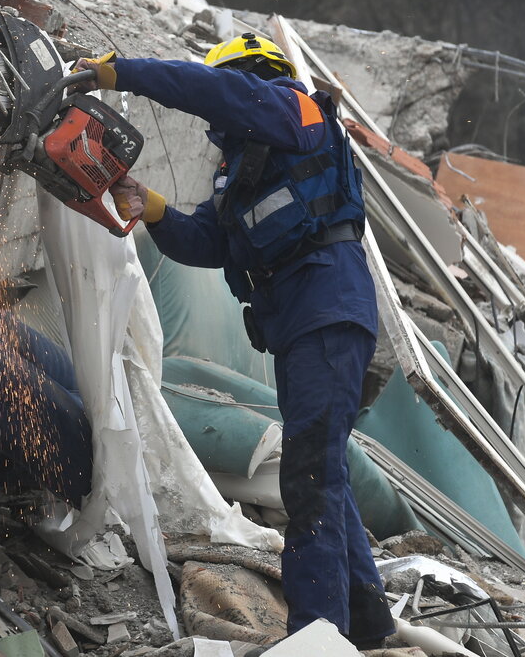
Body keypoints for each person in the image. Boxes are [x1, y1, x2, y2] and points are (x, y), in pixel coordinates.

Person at [71, 34, 396, 648]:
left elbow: (217, 91)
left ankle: (317, 634)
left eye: (233, 98)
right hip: (306, 321)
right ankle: (369, 628)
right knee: (320, 472)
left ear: (255, 78)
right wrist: (154, 206)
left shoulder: (294, 108)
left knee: (309, 477)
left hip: (327, 309)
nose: (221, 126)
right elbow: (212, 243)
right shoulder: (248, 168)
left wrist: (122, 73)